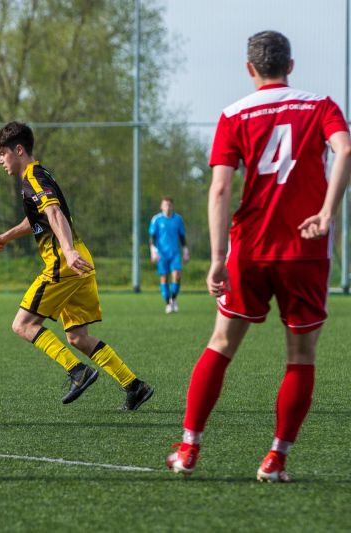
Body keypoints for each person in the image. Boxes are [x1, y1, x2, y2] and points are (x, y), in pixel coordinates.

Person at [166, 31, 351, 482]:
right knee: (301, 356)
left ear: (250, 69)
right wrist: (326, 213)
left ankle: (189, 449)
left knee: (221, 344)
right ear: (291, 65)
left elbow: (221, 188)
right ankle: (276, 459)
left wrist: (216, 257)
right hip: (305, 250)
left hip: (248, 250)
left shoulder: (233, 115)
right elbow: (345, 149)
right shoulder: (321, 105)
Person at [0, 121, 154, 410]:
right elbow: (38, 217)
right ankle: (134, 386)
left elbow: (53, 212)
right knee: (78, 336)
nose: (0, 160)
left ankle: (78, 372)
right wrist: (7, 236)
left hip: (64, 263)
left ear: (18, 150)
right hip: (81, 261)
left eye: (2, 153)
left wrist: (66, 250)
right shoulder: (38, 177)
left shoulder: (34, 178)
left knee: (22, 324)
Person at [149, 196, 188, 313]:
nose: (167, 207)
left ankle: (173, 299)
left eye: (169, 205)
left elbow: (182, 236)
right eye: (165, 205)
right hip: (162, 254)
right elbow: (152, 237)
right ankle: (168, 303)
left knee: (177, 275)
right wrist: (153, 251)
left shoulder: (178, 219)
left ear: (172, 206)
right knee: (164, 278)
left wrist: (185, 251)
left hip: (175, 253)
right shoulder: (156, 219)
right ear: (161, 206)